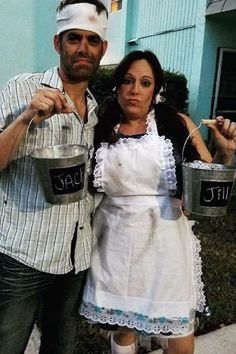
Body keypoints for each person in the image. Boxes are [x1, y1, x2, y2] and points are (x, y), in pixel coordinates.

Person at [79, 50, 236, 354]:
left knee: (177, 337)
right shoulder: (100, 127)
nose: (135, 89)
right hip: (114, 242)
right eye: (127, 80)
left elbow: (204, 189)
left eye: (145, 82)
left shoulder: (176, 125)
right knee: (123, 329)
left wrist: (224, 155)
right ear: (117, 87)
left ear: (156, 90)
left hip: (165, 244)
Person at [0, 1, 108, 353]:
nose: (83, 48)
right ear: (57, 43)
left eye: (92, 40)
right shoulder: (21, 89)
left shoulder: (96, 110)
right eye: (73, 38)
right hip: (23, 255)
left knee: (61, 346)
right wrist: (27, 116)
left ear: (102, 49)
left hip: (75, 258)